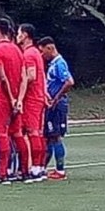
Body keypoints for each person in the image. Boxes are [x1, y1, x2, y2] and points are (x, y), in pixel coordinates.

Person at [0, 17, 28, 185]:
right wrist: (19, 100)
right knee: (17, 134)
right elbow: (23, 76)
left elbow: (3, 78)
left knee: (1, 134)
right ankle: (25, 171)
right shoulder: (17, 50)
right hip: (17, 97)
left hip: (2, 98)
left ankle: (3, 173)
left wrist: (11, 99)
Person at [38, 36, 74, 180]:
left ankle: (60, 170)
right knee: (49, 136)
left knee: (55, 136)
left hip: (57, 105)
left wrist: (56, 98)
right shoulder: (53, 63)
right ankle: (43, 167)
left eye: (43, 51)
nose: (42, 55)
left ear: (50, 48)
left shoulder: (59, 63)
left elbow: (69, 82)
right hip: (51, 104)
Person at [18, 23, 47, 182]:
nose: (17, 36)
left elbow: (32, 76)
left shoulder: (29, 54)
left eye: (19, 33)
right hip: (38, 96)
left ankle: (35, 168)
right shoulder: (35, 52)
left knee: (32, 132)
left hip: (32, 98)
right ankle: (40, 166)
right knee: (36, 132)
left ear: (25, 35)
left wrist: (18, 84)